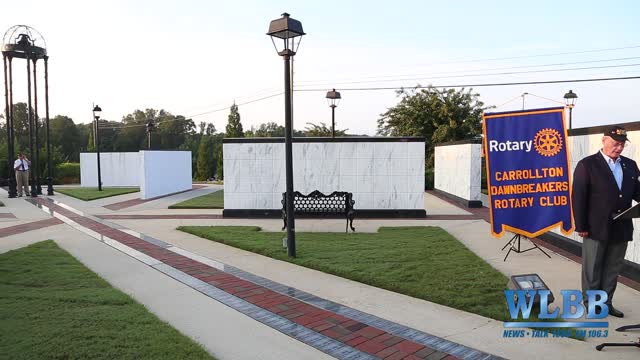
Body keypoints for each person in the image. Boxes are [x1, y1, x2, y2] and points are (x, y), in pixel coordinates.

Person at [572, 125, 640, 318]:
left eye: (622, 144)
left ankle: (606, 303)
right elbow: (578, 197)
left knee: (612, 269)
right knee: (593, 269)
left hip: (622, 226)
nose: (618, 148)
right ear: (604, 140)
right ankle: (592, 306)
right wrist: (581, 226)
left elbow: (637, 192)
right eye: (615, 143)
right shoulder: (588, 164)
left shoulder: (630, 165)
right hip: (595, 227)